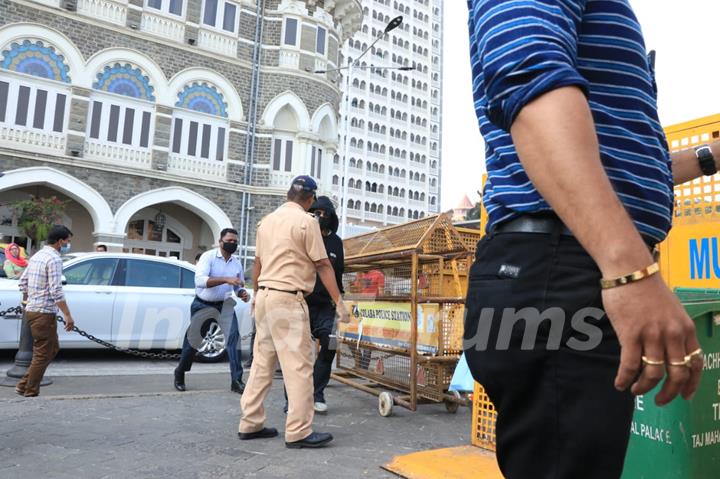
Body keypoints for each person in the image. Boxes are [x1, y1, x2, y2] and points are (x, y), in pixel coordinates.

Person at [463, 2, 709, 478]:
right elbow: (529, 83)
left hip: (563, 262)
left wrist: (707, 157)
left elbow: (615, 162)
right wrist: (630, 271)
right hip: (565, 264)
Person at [238, 176, 349, 449]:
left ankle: (250, 422)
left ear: (289, 194)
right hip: (287, 299)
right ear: (310, 200)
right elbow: (323, 265)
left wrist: (255, 296)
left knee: (262, 363)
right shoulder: (306, 222)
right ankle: (298, 431)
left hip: (264, 295)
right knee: (299, 367)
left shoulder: (266, 222)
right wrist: (340, 302)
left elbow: (258, 263)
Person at [282, 196, 345, 414]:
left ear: (331, 217)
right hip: (301, 302)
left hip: (326, 307)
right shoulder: (304, 235)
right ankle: (291, 398)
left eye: (324, 214)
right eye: (316, 213)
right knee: (296, 352)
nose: (319, 217)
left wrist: (340, 302)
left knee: (331, 345)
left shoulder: (336, 243)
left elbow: (337, 275)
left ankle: (317, 393)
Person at [174, 228, 249, 394]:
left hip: (225, 306)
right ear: (220, 241)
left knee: (233, 341)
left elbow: (237, 285)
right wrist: (225, 279)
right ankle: (180, 372)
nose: (232, 244)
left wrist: (242, 293)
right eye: (229, 241)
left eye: (235, 241)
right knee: (193, 343)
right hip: (204, 304)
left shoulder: (236, 262)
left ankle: (236, 380)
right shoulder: (208, 257)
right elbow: (200, 281)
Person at [15, 225, 75, 397]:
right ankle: (29, 389)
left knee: (52, 348)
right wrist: (68, 315)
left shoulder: (37, 256)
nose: (68, 244)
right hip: (44, 313)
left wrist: (30, 300)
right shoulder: (54, 259)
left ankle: (24, 383)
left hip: (32, 310)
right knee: (42, 353)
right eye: (67, 241)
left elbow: (23, 282)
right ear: (59, 241)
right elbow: (56, 290)